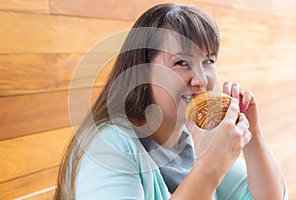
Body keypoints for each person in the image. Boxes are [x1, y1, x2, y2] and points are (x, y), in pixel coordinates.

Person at [55, 3, 288, 200]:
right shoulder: (108, 145)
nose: (200, 79)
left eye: (208, 61)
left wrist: (253, 136)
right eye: (181, 63)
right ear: (142, 73)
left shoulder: (190, 137)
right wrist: (210, 168)